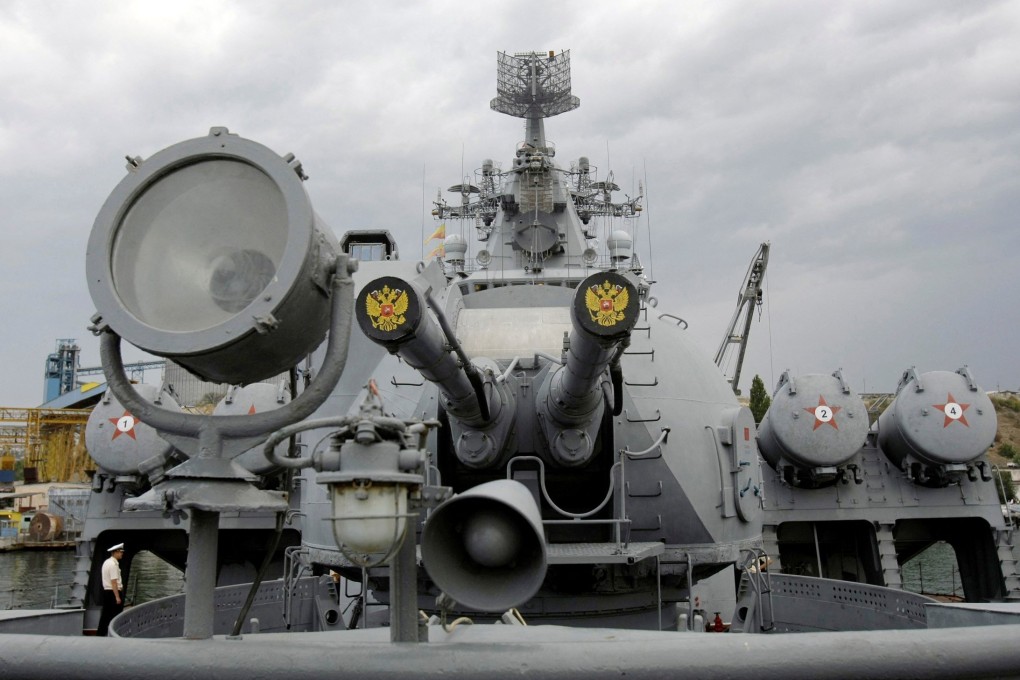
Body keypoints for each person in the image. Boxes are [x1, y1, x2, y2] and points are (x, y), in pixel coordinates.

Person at [97, 543, 125, 636]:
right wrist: (117, 597)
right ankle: (114, 634)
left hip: (106, 592)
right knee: (115, 616)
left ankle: (101, 634)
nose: (122, 554)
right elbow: (114, 582)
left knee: (105, 615)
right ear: (115, 552)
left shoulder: (106, 562)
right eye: (120, 552)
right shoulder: (113, 564)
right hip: (113, 592)